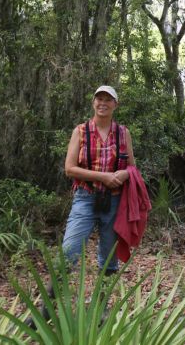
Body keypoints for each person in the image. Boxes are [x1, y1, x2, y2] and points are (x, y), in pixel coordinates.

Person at [61, 85, 136, 275]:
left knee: (109, 255)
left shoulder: (123, 133)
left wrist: (124, 174)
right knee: (70, 249)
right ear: (93, 102)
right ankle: (54, 291)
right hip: (85, 197)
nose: (103, 103)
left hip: (114, 200)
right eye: (99, 99)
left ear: (115, 104)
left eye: (108, 100)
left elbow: (132, 167)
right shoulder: (80, 131)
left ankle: (104, 291)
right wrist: (103, 177)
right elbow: (69, 169)